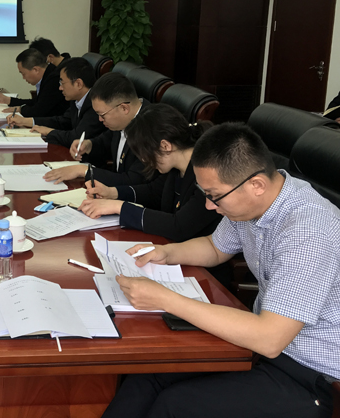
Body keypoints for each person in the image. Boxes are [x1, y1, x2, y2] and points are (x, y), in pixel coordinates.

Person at [102, 123, 339, 418]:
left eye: (214, 196)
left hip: (310, 375)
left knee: (176, 404)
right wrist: (167, 252)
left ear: (257, 185)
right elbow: (215, 247)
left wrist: (165, 299)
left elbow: (270, 338)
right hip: (258, 348)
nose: (209, 205)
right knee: (149, 375)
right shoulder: (252, 204)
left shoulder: (309, 232)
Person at [79, 103, 222, 242]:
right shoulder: (175, 166)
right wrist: (112, 193)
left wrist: (119, 207)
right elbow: (154, 192)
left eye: (144, 153)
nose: (143, 159)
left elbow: (179, 227)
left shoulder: (208, 175)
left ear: (165, 146)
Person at [44, 71, 148, 186]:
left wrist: (84, 171)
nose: (100, 119)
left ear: (124, 108)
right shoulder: (124, 120)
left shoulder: (151, 130)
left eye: (102, 115)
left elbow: (134, 181)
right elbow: (106, 140)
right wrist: (89, 145)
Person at [6, 57, 105, 147]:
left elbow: (76, 137)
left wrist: (49, 132)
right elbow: (63, 121)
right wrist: (26, 121)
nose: (60, 88)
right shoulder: (77, 99)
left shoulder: (96, 104)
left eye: (62, 83)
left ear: (78, 84)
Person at [0, 48, 68, 118]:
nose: (23, 78)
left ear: (35, 70)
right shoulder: (48, 75)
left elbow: (38, 111)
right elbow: (35, 102)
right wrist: (8, 100)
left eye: (23, 74)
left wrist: (20, 109)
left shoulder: (53, 80)